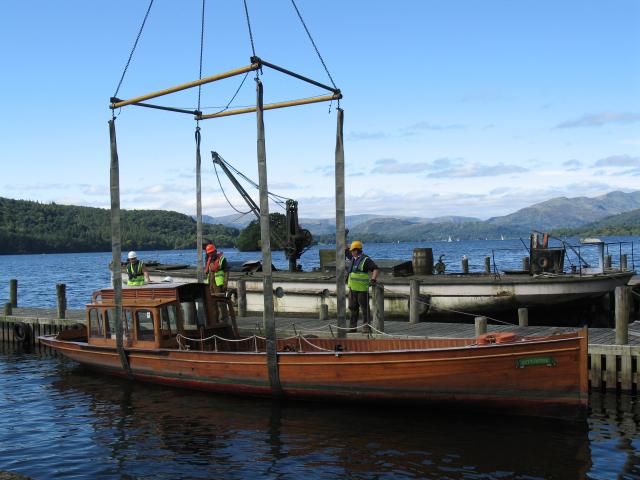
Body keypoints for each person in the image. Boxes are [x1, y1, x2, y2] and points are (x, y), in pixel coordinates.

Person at [347, 240, 379, 333]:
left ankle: (367, 327)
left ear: (357, 250)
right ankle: (352, 327)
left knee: (365, 309)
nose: (351, 252)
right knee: (352, 307)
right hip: (352, 288)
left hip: (362, 289)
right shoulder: (353, 258)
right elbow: (345, 250)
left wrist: (373, 279)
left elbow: (375, 269)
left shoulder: (366, 260)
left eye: (352, 250)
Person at [205, 243, 230, 321]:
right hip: (210, 285)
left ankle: (224, 320)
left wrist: (225, 283)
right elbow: (208, 273)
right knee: (212, 303)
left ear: (215, 251)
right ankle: (215, 320)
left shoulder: (222, 259)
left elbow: (226, 271)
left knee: (221, 303)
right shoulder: (208, 260)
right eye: (209, 253)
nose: (211, 254)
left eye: (212, 252)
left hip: (219, 285)